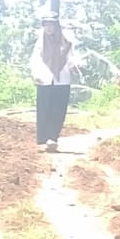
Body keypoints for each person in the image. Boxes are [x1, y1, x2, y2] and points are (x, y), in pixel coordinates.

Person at [30, 14, 81, 151]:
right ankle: (44, 137)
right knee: (45, 109)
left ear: (56, 26)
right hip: (45, 78)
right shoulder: (40, 41)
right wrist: (36, 74)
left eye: (51, 25)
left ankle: (53, 137)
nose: (49, 28)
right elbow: (35, 59)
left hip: (62, 80)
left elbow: (71, 57)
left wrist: (74, 66)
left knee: (58, 110)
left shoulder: (66, 41)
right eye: (46, 25)